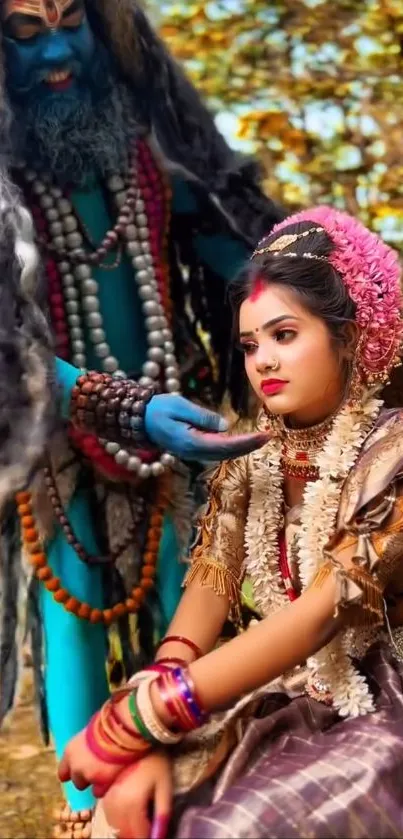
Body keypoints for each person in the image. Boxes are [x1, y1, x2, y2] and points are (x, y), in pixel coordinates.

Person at [0, 0, 283, 827]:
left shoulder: (150, 154)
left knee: (196, 596)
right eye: (23, 31)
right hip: (57, 445)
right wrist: (108, 400)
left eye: (70, 22)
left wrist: (308, 301)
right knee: (75, 610)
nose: (56, 50)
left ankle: (211, 791)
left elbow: (239, 252)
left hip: (180, 425)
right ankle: (89, 813)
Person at [59, 206, 403, 839]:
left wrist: (136, 719)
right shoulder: (250, 458)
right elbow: (210, 588)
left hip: (381, 703)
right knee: (118, 812)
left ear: (350, 337)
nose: (262, 361)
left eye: (284, 335)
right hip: (282, 685)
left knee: (233, 826)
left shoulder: (394, 453)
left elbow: (321, 614)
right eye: (249, 346)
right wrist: (150, 714)